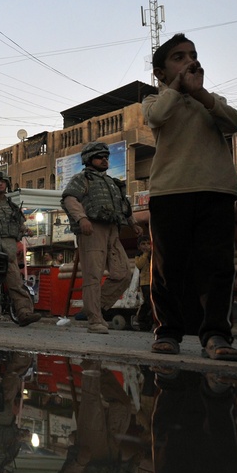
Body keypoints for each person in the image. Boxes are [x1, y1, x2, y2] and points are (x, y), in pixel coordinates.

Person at [142, 33, 237, 361]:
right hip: (171, 192)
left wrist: (199, 92)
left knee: (217, 265)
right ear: (161, 72)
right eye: (179, 57)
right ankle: (168, 332)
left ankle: (216, 334)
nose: (189, 61)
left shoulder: (211, 101)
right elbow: (157, 117)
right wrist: (176, 88)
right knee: (168, 266)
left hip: (216, 190)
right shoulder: (153, 101)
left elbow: (236, 123)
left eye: (193, 55)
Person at [61, 141, 141, 334]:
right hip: (92, 230)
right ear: (89, 159)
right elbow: (69, 199)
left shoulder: (113, 183)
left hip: (113, 230)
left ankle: (93, 308)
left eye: (106, 157)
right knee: (93, 275)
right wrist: (82, 219)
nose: (104, 160)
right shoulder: (82, 179)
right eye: (99, 157)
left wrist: (133, 223)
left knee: (123, 274)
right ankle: (94, 319)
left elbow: (124, 206)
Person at [0, 171, 41, 326]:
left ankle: (24, 313)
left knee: (16, 283)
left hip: (9, 248)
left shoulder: (12, 206)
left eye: (3, 181)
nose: (0, 183)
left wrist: (26, 230)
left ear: (7, 185)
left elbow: (19, 224)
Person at [134, 236, 153, 331]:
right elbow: (139, 265)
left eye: (148, 243)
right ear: (139, 247)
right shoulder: (139, 256)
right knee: (147, 302)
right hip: (145, 283)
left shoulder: (154, 254)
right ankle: (141, 319)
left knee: (154, 302)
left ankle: (150, 322)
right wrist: (145, 254)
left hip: (154, 281)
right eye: (143, 244)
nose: (146, 246)